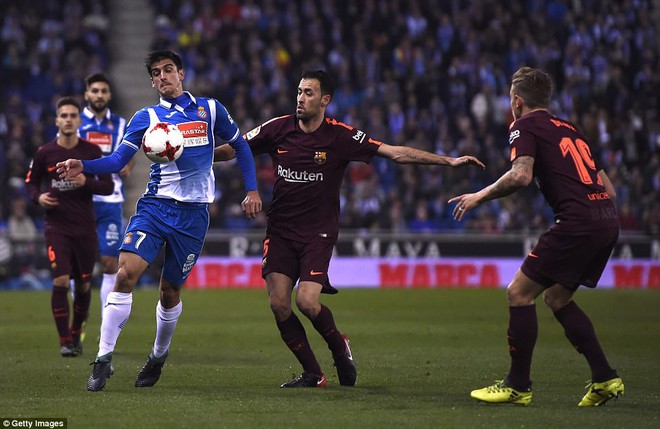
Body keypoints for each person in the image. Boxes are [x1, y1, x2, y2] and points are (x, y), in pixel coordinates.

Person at [214, 69, 484, 388]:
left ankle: (339, 348)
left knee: (307, 302)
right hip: (280, 230)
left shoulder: (340, 136)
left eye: (309, 93)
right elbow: (234, 149)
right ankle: (313, 373)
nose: (300, 98)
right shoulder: (277, 128)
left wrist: (448, 161)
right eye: (299, 91)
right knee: (278, 304)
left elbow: (394, 153)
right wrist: (192, 155)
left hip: (319, 232)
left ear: (325, 100)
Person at [57, 50, 262, 391]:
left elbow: (240, 146)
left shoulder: (210, 110)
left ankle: (157, 356)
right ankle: (103, 359)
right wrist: (84, 165)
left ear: (181, 73)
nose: (163, 76)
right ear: (152, 81)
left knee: (170, 291)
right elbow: (117, 160)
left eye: (169, 70)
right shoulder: (145, 117)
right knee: (124, 274)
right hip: (154, 207)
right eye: (157, 73)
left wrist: (252, 191)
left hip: (194, 214)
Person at [448, 67, 623, 407]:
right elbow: (610, 190)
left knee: (518, 293)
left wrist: (478, 196)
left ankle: (517, 385)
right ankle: (605, 377)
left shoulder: (523, 125)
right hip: (606, 221)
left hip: (577, 224)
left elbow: (521, 175)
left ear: (517, 101)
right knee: (557, 299)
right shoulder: (571, 128)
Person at [25, 97, 113, 357]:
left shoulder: (91, 152)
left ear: (79, 120)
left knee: (84, 285)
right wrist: (39, 198)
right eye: (63, 115)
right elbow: (31, 183)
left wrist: (86, 180)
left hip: (85, 227)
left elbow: (107, 186)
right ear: (57, 120)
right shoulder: (45, 153)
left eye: (73, 115)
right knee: (61, 279)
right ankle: (65, 340)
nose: (68, 119)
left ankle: (76, 333)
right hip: (57, 227)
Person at [80, 72, 132, 319]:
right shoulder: (74, 121)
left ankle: (105, 322)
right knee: (81, 266)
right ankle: (78, 319)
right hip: (81, 200)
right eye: (95, 91)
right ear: (86, 94)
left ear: (109, 95)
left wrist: (127, 167)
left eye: (103, 91)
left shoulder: (121, 124)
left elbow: (129, 156)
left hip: (110, 200)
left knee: (111, 263)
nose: (99, 95)